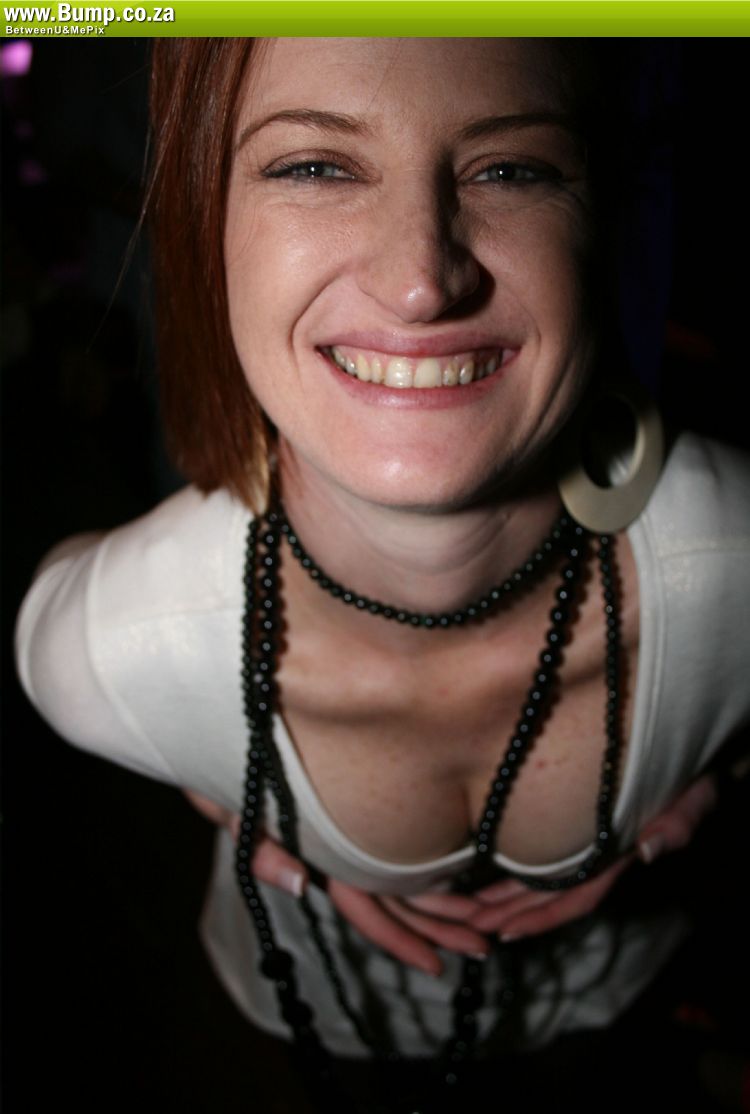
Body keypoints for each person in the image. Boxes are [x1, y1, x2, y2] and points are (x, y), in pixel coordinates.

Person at [15, 37, 749, 1114]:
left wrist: (719, 766)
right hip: (312, 1023)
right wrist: (217, 765)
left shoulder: (732, 573)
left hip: (617, 1008)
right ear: (203, 218)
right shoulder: (110, 650)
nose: (420, 281)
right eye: (315, 166)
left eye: (512, 168)